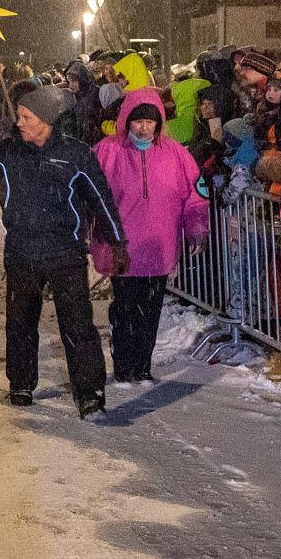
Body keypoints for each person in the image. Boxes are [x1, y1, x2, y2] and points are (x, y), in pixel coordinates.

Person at [0, 86, 127, 418]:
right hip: (21, 254)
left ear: (48, 120)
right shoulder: (10, 152)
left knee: (78, 326)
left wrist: (117, 241)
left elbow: (101, 199)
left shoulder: (76, 154)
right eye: (20, 116)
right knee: (21, 323)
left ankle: (90, 393)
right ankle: (22, 382)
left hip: (65, 255)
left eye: (27, 117)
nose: (20, 123)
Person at [90, 88, 209, 385]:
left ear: (159, 122)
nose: (144, 128)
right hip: (123, 247)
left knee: (150, 311)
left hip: (159, 248)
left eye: (150, 122)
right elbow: (88, 191)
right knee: (125, 308)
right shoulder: (107, 151)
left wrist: (197, 228)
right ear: (126, 120)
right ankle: (124, 365)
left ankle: (142, 366)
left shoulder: (177, 155)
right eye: (137, 121)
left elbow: (194, 196)